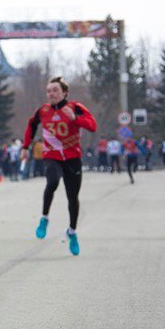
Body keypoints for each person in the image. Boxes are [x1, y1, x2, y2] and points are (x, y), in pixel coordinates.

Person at [20, 76, 97, 256]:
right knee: (52, 182)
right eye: (48, 91)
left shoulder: (75, 107)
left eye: (55, 90)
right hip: (52, 156)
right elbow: (31, 127)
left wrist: (76, 119)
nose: (51, 94)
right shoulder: (43, 110)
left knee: (73, 197)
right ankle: (44, 218)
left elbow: (92, 126)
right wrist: (25, 147)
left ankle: (72, 232)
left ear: (64, 92)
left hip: (72, 158)